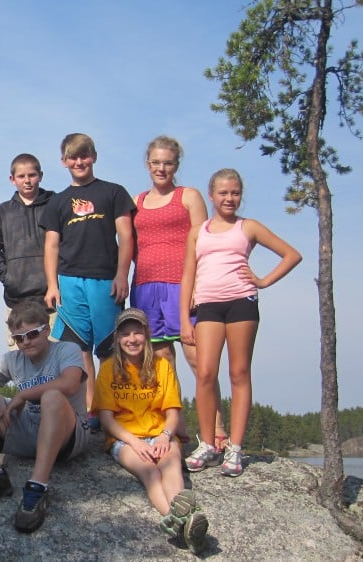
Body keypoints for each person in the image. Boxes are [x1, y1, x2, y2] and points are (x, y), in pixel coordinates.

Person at [181, 169, 301, 477]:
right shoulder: (200, 231)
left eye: (234, 193)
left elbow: (291, 255)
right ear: (211, 195)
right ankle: (208, 444)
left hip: (241, 304)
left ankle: (234, 447)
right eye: (223, 193)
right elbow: (187, 276)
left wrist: (262, 280)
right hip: (207, 305)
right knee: (205, 373)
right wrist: (184, 318)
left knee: (239, 372)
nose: (229, 198)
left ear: (240, 195)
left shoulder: (249, 227)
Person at [0, 300, 90, 534]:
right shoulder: (13, 359)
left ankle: (37, 486)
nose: (25, 342)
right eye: (19, 338)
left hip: (66, 435)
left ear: (46, 330)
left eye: (32, 334)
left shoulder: (66, 350)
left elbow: (70, 384)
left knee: (52, 396)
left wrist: (24, 395)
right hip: (30, 429)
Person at [132, 136, 228, 448]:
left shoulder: (189, 196)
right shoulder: (137, 201)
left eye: (168, 162)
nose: (162, 168)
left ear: (176, 165)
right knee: (161, 365)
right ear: (148, 165)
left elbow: (205, 243)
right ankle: (179, 431)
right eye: (156, 162)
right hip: (145, 287)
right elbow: (131, 247)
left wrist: (198, 287)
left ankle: (216, 432)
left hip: (181, 286)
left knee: (199, 361)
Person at [91, 308, 209, 555]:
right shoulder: (109, 368)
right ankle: (180, 522)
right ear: (117, 339)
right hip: (125, 439)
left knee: (171, 467)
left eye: (137, 333)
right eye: (125, 334)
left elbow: (173, 411)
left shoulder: (162, 365)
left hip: (160, 434)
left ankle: (182, 521)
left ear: (146, 334)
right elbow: (106, 419)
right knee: (150, 472)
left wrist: (166, 437)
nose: (131, 339)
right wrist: (135, 442)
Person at [41, 133, 135, 421]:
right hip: (70, 281)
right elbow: (51, 246)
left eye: (84, 156)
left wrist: (122, 274)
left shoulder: (114, 192)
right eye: (73, 157)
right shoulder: (58, 202)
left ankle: (113, 409)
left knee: (109, 349)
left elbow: (126, 236)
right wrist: (52, 285)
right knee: (80, 350)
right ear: (64, 161)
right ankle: (90, 410)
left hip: (106, 280)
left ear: (93, 156)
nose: (79, 161)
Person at [0, 153, 56, 332]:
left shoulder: (56, 204)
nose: (27, 181)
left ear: (41, 176)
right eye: (21, 176)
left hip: (54, 301)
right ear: (12, 179)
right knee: (21, 355)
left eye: (32, 175)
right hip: (16, 301)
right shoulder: (3, 212)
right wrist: (9, 278)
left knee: (57, 355)